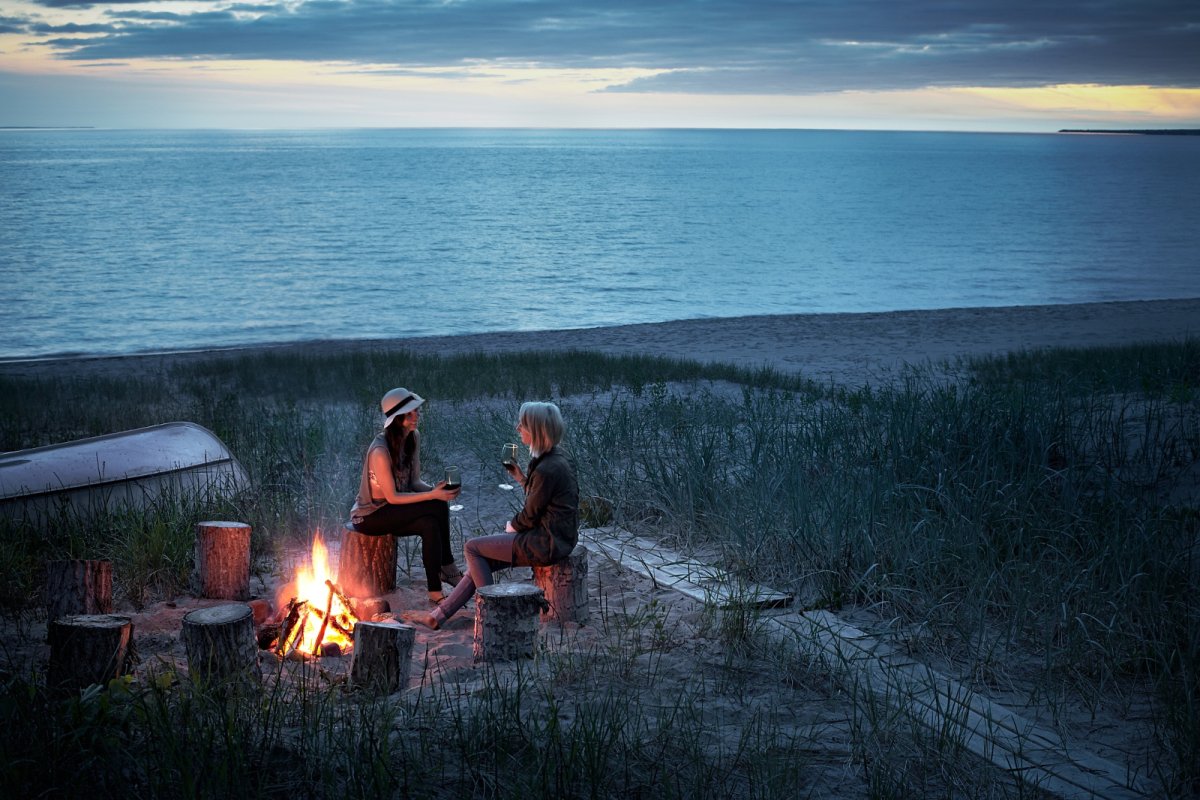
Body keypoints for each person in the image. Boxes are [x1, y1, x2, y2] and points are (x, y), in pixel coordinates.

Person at [416, 401, 578, 629]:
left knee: (472, 547)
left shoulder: (546, 469)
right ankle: (438, 616)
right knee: (482, 561)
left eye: (522, 424)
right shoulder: (557, 460)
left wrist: (511, 526)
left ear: (536, 430)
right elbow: (544, 501)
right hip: (559, 538)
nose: (517, 428)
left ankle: (496, 614)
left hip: (546, 542)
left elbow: (530, 516)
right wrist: (521, 479)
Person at [348, 387, 463, 602]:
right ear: (397, 419)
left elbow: (414, 482)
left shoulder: (413, 437)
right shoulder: (380, 452)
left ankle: (435, 591)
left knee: (429, 523)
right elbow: (392, 498)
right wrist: (433, 497)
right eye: (410, 413)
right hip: (371, 515)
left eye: (416, 411)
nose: (416, 416)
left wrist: (434, 491)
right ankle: (448, 566)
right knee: (435, 506)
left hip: (394, 510)